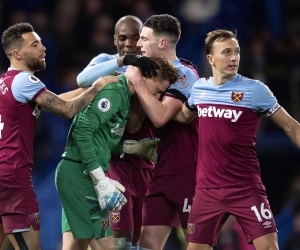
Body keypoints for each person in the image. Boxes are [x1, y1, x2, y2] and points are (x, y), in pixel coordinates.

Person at [171, 29, 300, 250]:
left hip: (245, 187)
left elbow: (291, 126)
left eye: (237, 52)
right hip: (207, 190)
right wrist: (153, 101)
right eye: (227, 52)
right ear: (210, 58)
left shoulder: (255, 90)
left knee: (269, 247)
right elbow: (182, 115)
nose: (234, 58)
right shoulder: (200, 89)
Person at [0, 22, 118, 250]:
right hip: (15, 179)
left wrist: (90, 88)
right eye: (35, 44)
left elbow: (55, 99)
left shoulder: (5, 82)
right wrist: (98, 87)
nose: (43, 48)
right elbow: (66, 109)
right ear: (16, 53)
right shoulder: (25, 80)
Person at [55, 57, 179, 250]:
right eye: (158, 91)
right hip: (80, 176)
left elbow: (101, 139)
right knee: (108, 246)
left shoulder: (126, 101)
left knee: (75, 246)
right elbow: (81, 132)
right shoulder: (114, 92)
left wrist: (133, 148)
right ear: (144, 78)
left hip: (80, 174)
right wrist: (100, 179)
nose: (157, 97)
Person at [76, 15, 161, 250]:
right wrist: (124, 62)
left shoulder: (154, 66)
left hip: (145, 164)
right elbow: (82, 79)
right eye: (123, 38)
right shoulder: (107, 61)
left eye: (136, 37)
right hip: (114, 163)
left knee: (138, 240)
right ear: (115, 39)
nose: (130, 43)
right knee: (118, 239)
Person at [124, 14, 199, 250]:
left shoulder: (185, 73)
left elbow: (159, 117)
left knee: (198, 244)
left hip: (188, 170)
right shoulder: (149, 72)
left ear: (163, 43)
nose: (138, 44)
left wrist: (137, 83)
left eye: (145, 39)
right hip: (161, 171)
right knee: (147, 243)